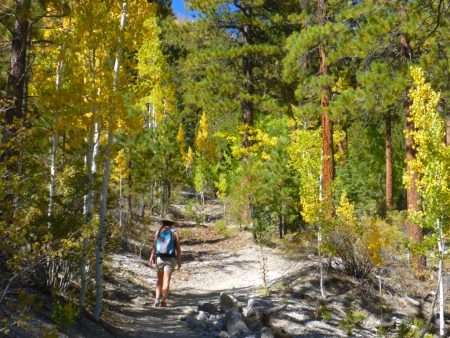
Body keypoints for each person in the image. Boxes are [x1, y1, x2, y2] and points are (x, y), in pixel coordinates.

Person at [147, 214, 181, 307]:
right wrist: (179, 261)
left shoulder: (158, 231)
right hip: (170, 259)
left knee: (159, 280)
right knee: (166, 281)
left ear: (163, 221)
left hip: (159, 258)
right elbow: (178, 248)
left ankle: (157, 300)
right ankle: (163, 301)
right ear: (172, 223)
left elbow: (154, 246)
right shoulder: (174, 232)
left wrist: (151, 258)